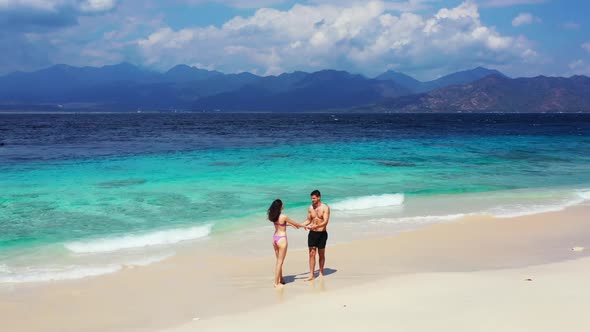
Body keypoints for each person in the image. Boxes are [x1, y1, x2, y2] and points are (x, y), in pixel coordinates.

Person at [267, 199, 304, 289]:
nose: (284, 204)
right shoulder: (283, 216)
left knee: (278, 261)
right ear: (280, 206)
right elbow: (297, 224)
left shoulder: (273, 216)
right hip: (282, 240)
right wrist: (306, 226)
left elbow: (280, 224)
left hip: (275, 238)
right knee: (280, 262)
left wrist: (289, 225)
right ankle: (276, 283)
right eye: (282, 203)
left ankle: (281, 279)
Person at [302, 190, 330, 281]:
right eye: (311, 198)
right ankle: (311, 275)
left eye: (314, 198)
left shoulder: (325, 208)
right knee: (312, 254)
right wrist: (302, 225)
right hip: (312, 234)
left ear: (319, 197)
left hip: (322, 234)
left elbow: (325, 222)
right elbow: (308, 220)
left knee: (321, 254)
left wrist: (316, 226)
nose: (312, 200)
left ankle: (321, 272)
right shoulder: (310, 208)